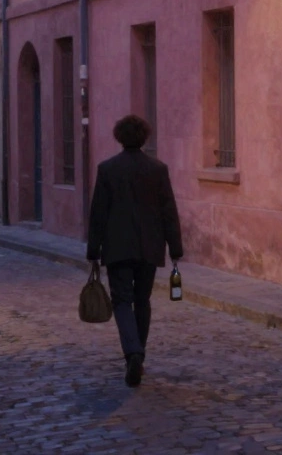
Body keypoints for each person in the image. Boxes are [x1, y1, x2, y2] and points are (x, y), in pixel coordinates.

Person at [85, 114, 183, 387]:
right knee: (143, 300)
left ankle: (133, 352)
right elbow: (168, 211)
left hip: (117, 247)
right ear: (144, 137)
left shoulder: (107, 169)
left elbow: (98, 214)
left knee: (121, 301)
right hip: (150, 246)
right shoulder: (158, 169)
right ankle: (138, 353)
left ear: (119, 137)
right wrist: (175, 247)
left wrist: (93, 250)